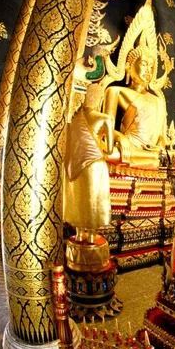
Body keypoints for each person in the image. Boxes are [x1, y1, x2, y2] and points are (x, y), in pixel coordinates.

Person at [103, 44, 167, 169]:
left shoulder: (158, 100)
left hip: (151, 153)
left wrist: (161, 144)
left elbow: (161, 137)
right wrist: (120, 137)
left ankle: (153, 160)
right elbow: (105, 131)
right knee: (106, 154)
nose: (149, 70)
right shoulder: (115, 91)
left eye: (151, 66)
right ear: (128, 67)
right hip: (127, 149)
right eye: (144, 64)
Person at [64, 87, 114, 243]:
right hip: (95, 164)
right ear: (99, 99)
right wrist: (100, 146)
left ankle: (79, 232)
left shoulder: (72, 118)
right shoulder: (104, 118)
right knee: (93, 199)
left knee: (79, 198)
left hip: (74, 165)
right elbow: (110, 149)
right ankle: (92, 234)